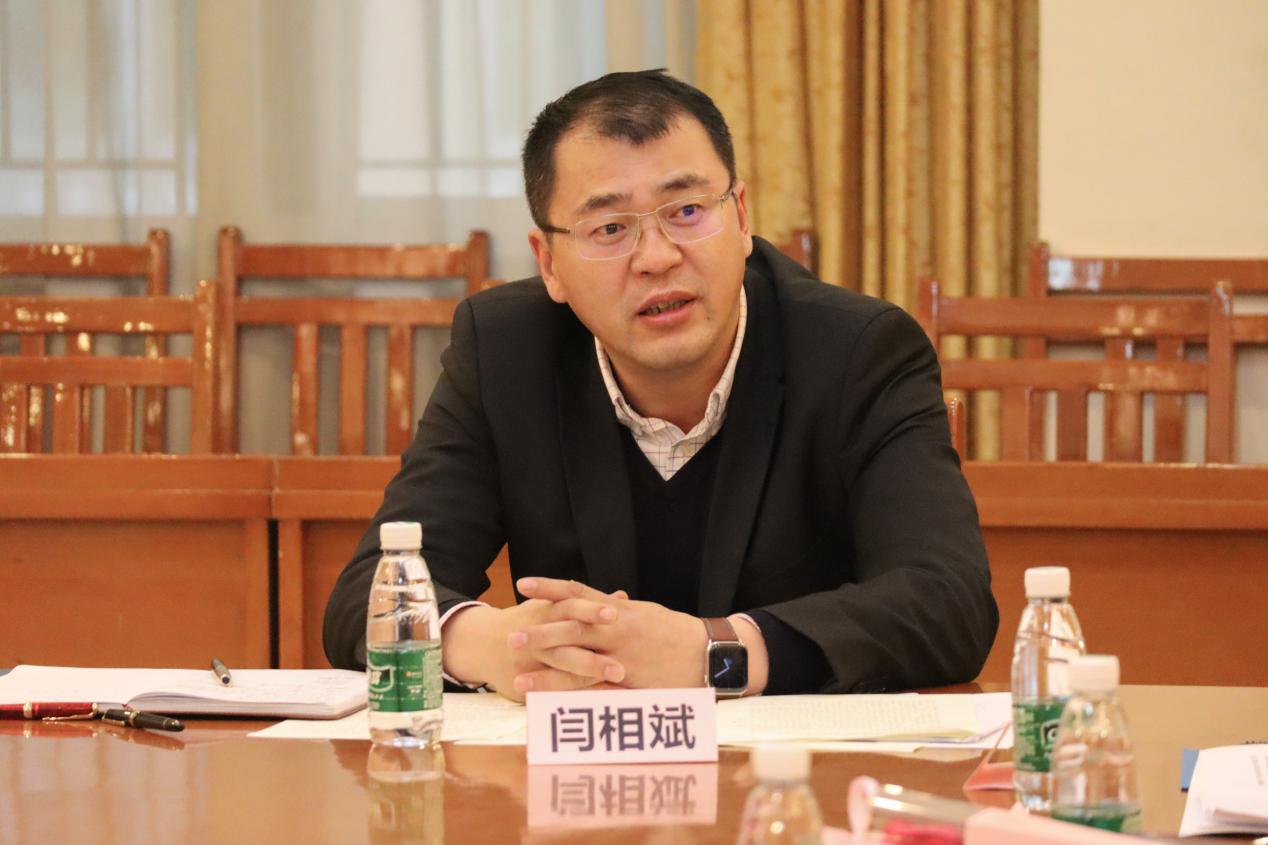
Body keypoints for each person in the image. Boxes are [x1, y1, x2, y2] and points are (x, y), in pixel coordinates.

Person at [324, 70, 997, 699]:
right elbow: (368, 595)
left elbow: (947, 603)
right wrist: (498, 646)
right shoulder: (505, 351)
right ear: (548, 262)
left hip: (794, 775)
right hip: (579, 777)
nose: (656, 257)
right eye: (610, 228)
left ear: (741, 216)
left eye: (687, 210)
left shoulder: (860, 351)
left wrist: (715, 653)